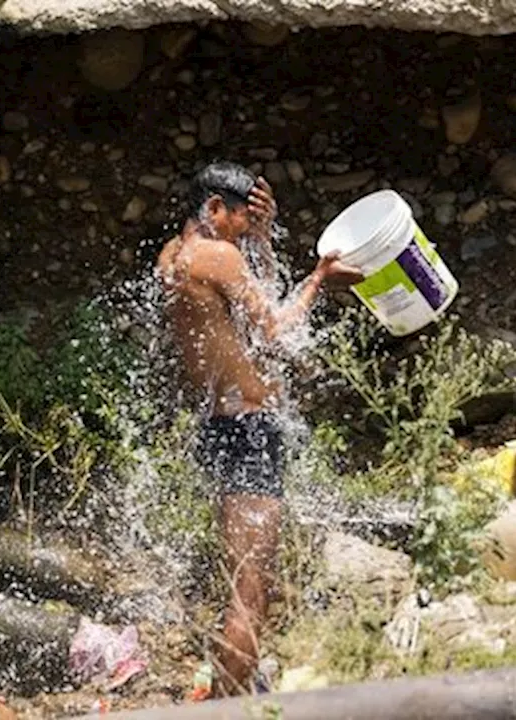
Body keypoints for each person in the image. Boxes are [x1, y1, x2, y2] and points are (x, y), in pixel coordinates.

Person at [155, 162, 364, 696]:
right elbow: (275, 333)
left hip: (217, 426)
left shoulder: (173, 259)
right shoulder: (218, 255)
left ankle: (232, 691)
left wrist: (265, 240)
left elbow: (247, 310)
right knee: (250, 591)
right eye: (242, 219)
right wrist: (319, 279)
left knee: (237, 580)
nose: (244, 232)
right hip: (249, 431)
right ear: (214, 209)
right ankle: (224, 709)